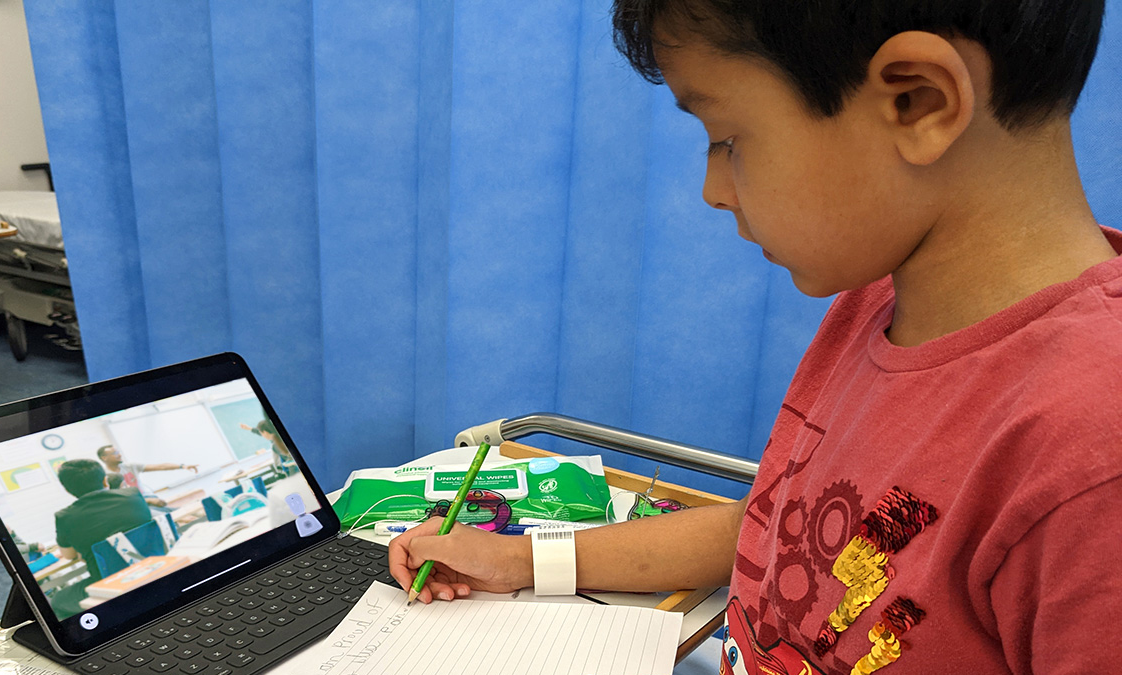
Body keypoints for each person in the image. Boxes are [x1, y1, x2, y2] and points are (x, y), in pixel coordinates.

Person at [388, 1, 1122, 673]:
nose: (713, 186)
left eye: (728, 138)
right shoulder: (884, 302)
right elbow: (773, 530)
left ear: (918, 101)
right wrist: (519, 560)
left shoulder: (1091, 455)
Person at [50, 459, 153, 619]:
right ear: (105, 479)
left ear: (68, 489)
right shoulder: (132, 495)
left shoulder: (64, 517)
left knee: (58, 599)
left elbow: (69, 555)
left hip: (111, 582)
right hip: (154, 568)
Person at [97, 444, 198, 508]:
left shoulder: (129, 467)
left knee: (172, 510)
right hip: (131, 504)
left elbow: (161, 466)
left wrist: (182, 466)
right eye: (115, 453)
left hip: (145, 497)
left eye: (118, 452)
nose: (119, 455)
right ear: (104, 457)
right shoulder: (105, 476)